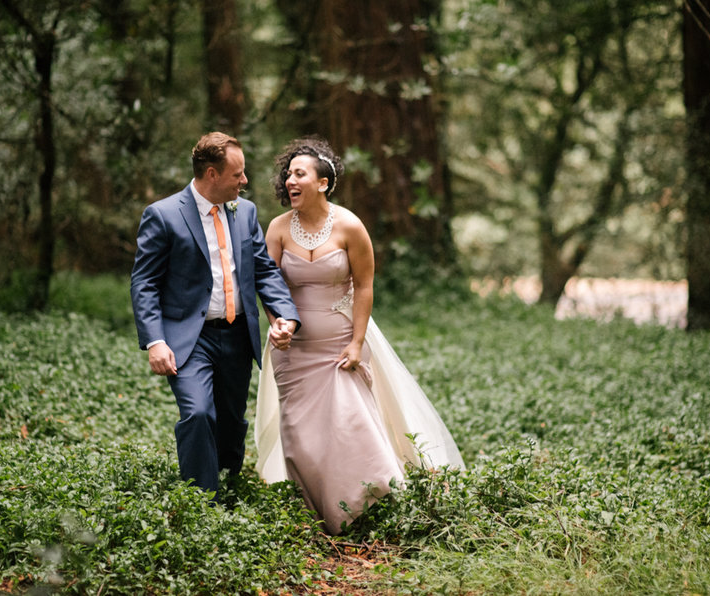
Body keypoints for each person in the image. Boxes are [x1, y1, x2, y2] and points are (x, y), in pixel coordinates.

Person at [255, 136, 463, 534]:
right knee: (302, 438)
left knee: (352, 425)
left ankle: (374, 508)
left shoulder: (350, 226)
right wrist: (276, 322)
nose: (290, 181)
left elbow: (364, 286)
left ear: (323, 182)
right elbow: (269, 283)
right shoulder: (279, 228)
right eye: (288, 174)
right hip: (293, 350)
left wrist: (356, 341)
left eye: (299, 174)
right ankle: (317, 514)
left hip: (340, 344)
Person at [131, 132, 300, 497]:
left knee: (230, 420)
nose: (245, 181)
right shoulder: (163, 215)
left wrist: (284, 314)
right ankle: (202, 500)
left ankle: (229, 479)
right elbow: (144, 282)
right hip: (189, 339)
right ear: (211, 174)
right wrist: (155, 341)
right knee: (197, 414)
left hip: (238, 334)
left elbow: (264, 271)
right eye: (238, 174)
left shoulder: (246, 211)